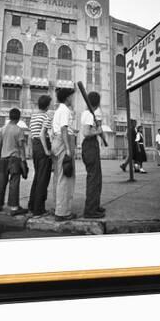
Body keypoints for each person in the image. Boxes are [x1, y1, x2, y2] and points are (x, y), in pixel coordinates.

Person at [0, 108, 28, 216]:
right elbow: (21, 147)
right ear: (18, 117)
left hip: (3, 159)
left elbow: (0, 145)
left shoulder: (2, 129)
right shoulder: (19, 130)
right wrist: (24, 160)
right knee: (14, 183)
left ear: (9, 116)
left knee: (0, 183)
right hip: (14, 159)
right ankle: (14, 207)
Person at [51, 88, 77, 222]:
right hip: (63, 142)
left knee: (58, 176)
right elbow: (64, 129)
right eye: (71, 97)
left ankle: (58, 207)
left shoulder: (58, 110)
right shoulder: (65, 110)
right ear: (67, 98)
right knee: (65, 178)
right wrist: (68, 149)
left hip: (57, 141)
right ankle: (62, 212)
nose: (72, 99)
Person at [81, 91, 106, 218]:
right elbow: (86, 132)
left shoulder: (88, 113)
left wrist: (97, 131)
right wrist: (97, 132)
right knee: (93, 179)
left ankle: (95, 206)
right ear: (97, 103)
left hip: (91, 146)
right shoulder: (89, 114)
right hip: (90, 145)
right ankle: (90, 210)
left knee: (97, 178)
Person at [27, 95, 53, 217]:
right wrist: (47, 150)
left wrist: (32, 149)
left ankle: (32, 205)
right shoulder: (46, 117)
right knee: (43, 178)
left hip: (35, 146)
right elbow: (43, 135)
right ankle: (39, 209)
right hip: (42, 146)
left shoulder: (33, 117)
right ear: (47, 105)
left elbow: (31, 135)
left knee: (37, 176)